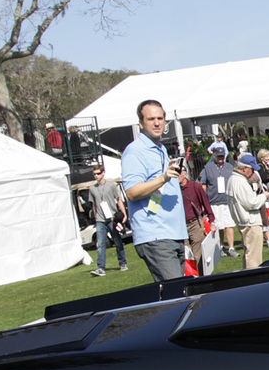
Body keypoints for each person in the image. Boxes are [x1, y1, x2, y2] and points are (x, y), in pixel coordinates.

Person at [122, 99, 187, 282]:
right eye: (151, 119)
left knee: (179, 293)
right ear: (141, 123)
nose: (157, 123)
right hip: (156, 234)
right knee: (177, 295)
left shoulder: (161, 149)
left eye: (160, 118)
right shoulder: (135, 151)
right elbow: (132, 192)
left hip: (174, 233)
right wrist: (163, 178)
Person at [225, 155, 266, 268]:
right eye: (252, 169)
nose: (253, 172)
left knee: (249, 254)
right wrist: (263, 196)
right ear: (244, 168)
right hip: (250, 222)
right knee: (254, 257)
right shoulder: (239, 181)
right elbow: (251, 203)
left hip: (244, 221)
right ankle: (254, 281)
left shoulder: (233, 179)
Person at [87, 164, 128, 276]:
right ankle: (101, 267)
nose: (96, 176)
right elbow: (94, 205)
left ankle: (122, 262)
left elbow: (119, 200)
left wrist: (124, 213)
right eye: (94, 174)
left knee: (117, 241)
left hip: (112, 217)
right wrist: (95, 218)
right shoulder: (92, 189)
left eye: (98, 173)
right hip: (100, 219)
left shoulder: (111, 186)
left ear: (103, 173)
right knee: (100, 244)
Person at [200, 144, 239, 257]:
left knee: (229, 225)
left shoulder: (229, 167)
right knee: (218, 226)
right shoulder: (208, 167)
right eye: (219, 156)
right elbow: (203, 184)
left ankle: (231, 248)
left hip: (227, 201)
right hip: (214, 201)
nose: (221, 159)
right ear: (215, 156)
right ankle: (221, 247)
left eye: (222, 156)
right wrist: (204, 201)